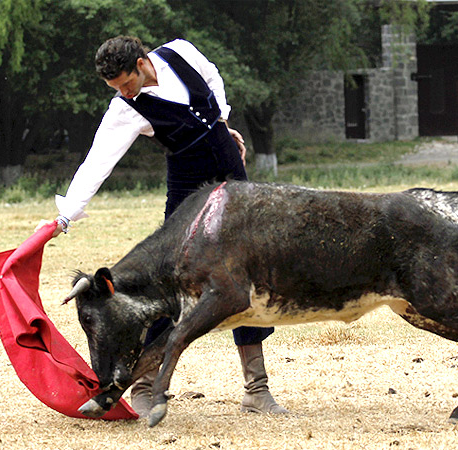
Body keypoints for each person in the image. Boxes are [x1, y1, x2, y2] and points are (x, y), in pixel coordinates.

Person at [47, 36, 287, 418]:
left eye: (126, 84)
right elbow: (97, 162)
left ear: (142, 63)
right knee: (169, 282)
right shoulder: (124, 110)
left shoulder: (182, 51)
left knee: (247, 272)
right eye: (117, 90)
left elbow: (212, 77)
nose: (124, 93)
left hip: (230, 173)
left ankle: (256, 389)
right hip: (187, 186)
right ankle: (142, 386)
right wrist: (66, 216)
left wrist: (223, 123)